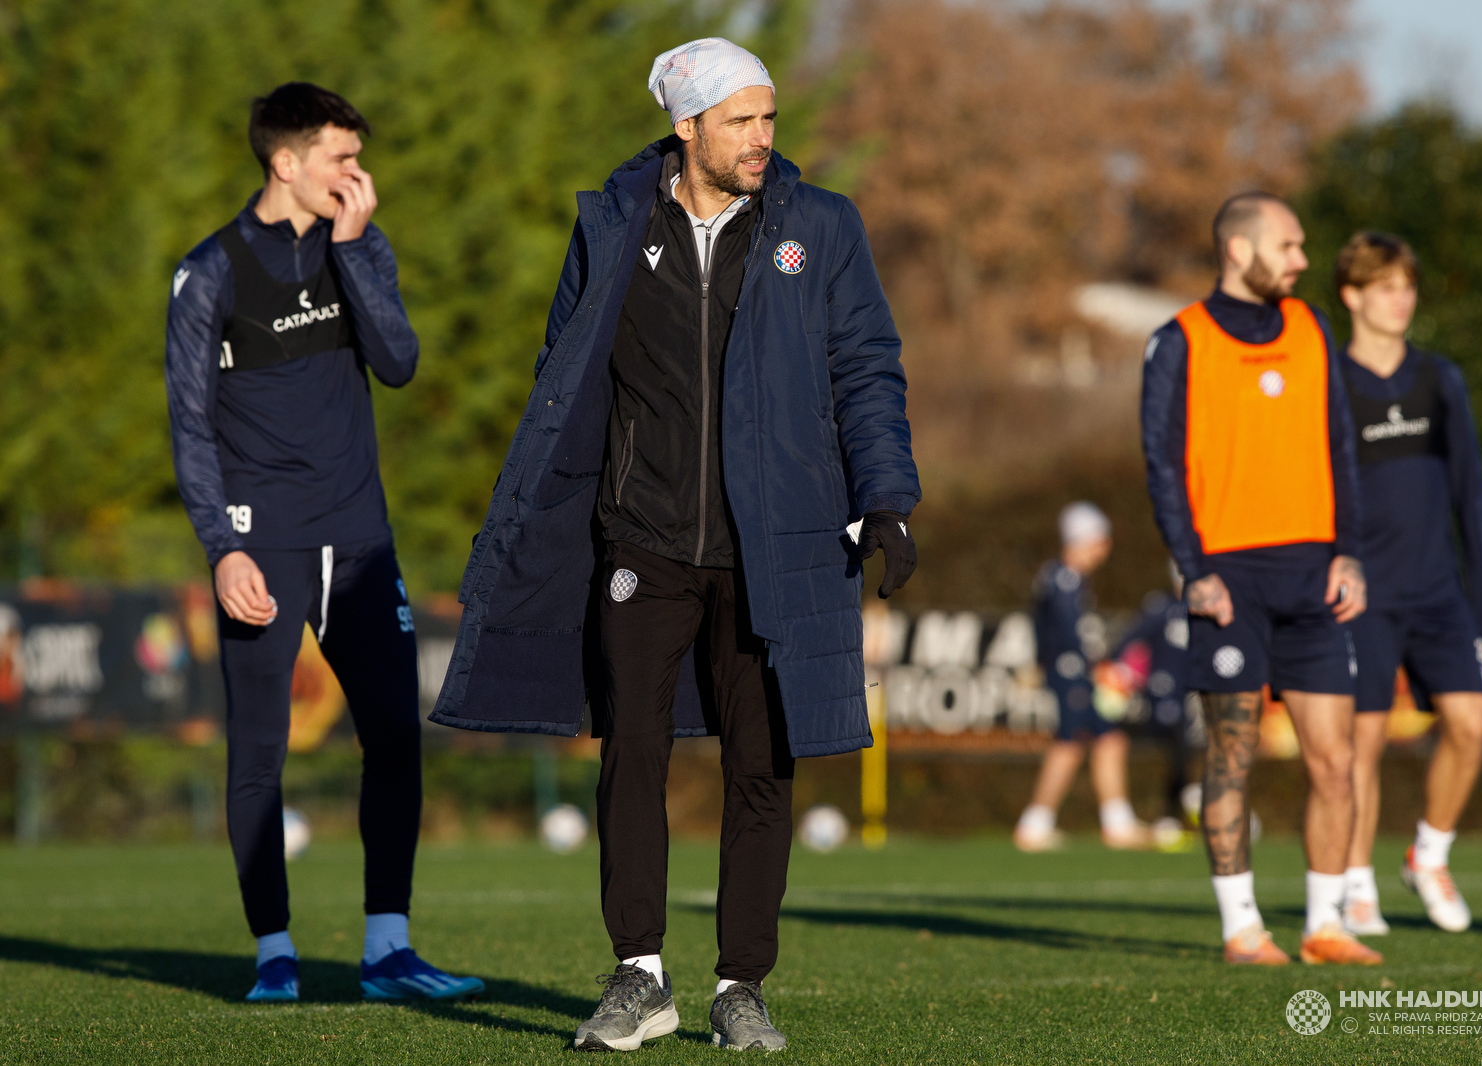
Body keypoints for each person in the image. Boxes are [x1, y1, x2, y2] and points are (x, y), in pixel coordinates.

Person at [426, 38, 919, 1052]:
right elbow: (559, 377)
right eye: (739, 120)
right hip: (639, 537)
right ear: (686, 126)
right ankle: (637, 976)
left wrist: (887, 501)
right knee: (631, 753)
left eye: (768, 119)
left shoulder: (819, 226)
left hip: (776, 543)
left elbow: (867, 371)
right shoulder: (612, 222)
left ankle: (741, 984)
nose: (760, 139)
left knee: (760, 768)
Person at [164, 83, 482, 1003]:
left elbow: (398, 361)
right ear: (285, 162)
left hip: (361, 540)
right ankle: (275, 954)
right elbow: (189, 424)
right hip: (264, 548)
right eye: (341, 158)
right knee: (258, 750)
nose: (357, 174)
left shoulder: (360, 244)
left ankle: (389, 951)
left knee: (394, 736)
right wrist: (223, 547)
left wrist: (352, 254)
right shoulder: (210, 271)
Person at [1141, 191, 1382, 966]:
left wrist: (1347, 551)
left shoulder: (1312, 326)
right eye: (1290, 245)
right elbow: (1163, 466)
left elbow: (1341, 444)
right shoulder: (1180, 340)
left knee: (1336, 761)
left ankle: (1326, 924)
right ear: (1241, 250)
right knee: (1231, 757)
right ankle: (1243, 928)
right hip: (1229, 582)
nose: (1303, 260)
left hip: (1314, 574)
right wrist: (1194, 569)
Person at [1333, 232, 1482, 936]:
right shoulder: (1331, 383)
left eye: (1407, 286)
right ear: (1353, 296)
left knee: (1470, 722)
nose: (1402, 299)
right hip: (1366, 600)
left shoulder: (1440, 380)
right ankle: (1356, 881)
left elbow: (1472, 497)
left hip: (1440, 596)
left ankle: (1427, 855)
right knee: (1362, 742)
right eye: (1386, 287)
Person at [1014, 503, 1151, 851]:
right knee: (1069, 743)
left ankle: (1116, 823)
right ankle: (1034, 825)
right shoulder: (1062, 578)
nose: (1104, 551)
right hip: (1071, 674)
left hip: (1077, 673)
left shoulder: (1067, 578)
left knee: (1109, 740)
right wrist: (1097, 666)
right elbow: (1066, 634)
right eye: (1100, 542)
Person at [1096, 567, 1200, 852]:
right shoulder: (1162, 607)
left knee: (1187, 750)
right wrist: (1122, 674)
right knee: (1178, 745)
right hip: (1160, 695)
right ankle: (1181, 806)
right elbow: (1128, 642)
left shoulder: (1203, 609)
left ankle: (1175, 813)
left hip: (1187, 696)